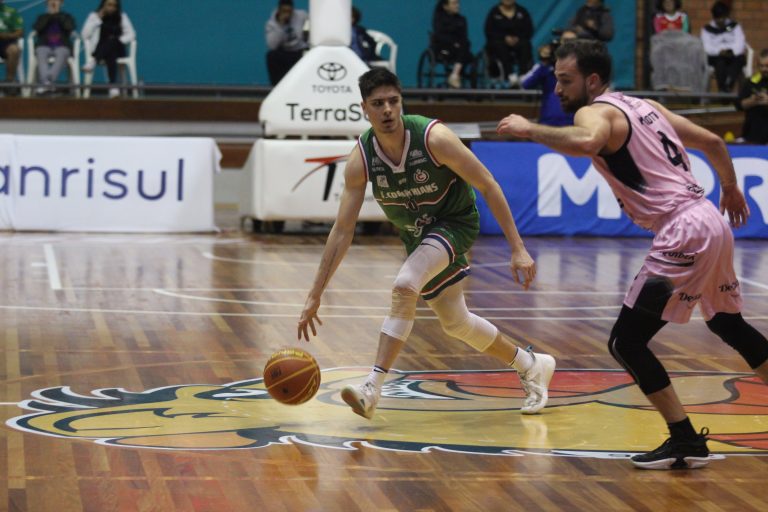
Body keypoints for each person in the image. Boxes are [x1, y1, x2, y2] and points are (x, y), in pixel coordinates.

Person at [497, 39, 768, 470]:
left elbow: (588, 141)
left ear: (592, 80)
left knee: (626, 341)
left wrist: (529, 129)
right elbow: (714, 141)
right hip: (709, 220)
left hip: (683, 230)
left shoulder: (596, 112)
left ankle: (684, 438)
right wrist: (731, 187)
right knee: (727, 324)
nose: (557, 89)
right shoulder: (646, 106)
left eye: (565, 80)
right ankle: (684, 438)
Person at [298, 67, 556, 420]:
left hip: (455, 223)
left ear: (401, 102)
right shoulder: (362, 159)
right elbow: (342, 231)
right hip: (418, 236)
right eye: (378, 104)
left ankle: (372, 388)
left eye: (393, 101)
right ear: (364, 109)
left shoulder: (434, 138)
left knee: (405, 285)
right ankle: (531, 364)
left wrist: (518, 247)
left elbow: (487, 183)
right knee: (456, 322)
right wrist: (315, 294)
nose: (387, 110)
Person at [81, 0, 136, 99]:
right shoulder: (94, 16)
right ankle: (113, 86)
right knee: (111, 52)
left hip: (118, 48)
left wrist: (119, 41)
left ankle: (94, 61)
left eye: (114, 5)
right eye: (109, 5)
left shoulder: (122, 17)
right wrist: (97, 19)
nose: (111, 8)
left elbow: (132, 34)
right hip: (99, 49)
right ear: (103, 5)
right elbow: (85, 35)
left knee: (112, 41)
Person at [520, 31, 577, 127]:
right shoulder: (546, 67)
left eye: (572, 40)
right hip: (549, 119)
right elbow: (525, 84)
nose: (569, 44)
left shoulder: (583, 66)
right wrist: (544, 64)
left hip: (573, 120)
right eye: (566, 40)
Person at [484, 0, 533, 87]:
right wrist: (504, 38)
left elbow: (529, 30)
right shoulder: (494, 13)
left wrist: (518, 38)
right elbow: (489, 31)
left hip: (518, 42)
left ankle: (523, 74)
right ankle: (510, 75)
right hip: (500, 42)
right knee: (499, 46)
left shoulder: (522, 12)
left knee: (525, 44)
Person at [32, 0, 77, 95]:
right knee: (40, 51)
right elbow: (38, 28)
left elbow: (69, 27)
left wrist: (57, 14)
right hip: (45, 45)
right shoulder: (42, 17)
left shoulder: (66, 16)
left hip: (62, 46)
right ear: (46, 3)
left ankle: (46, 82)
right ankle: (47, 83)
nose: (53, 2)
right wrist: (49, 16)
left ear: (61, 3)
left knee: (62, 52)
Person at [700, 1, 746, 93]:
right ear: (714, 17)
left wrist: (731, 51)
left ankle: (729, 83)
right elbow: (706, 47)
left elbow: (740, 43)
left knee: (740, 60)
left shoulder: (734, 26)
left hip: (733, 55)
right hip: (716, 57)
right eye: (718, 18)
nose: (721, 20)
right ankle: (723, 90)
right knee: (720, 62)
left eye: (723, 17)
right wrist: (719, 51)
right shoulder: (707, 29)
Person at [265, 0, 309, 86]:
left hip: (299, 51)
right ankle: (277, 87)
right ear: (279, 10)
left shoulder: (302, 16)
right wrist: (280, 25)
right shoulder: (271, 24)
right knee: (271, 56)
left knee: (309, 53)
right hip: (284, 53)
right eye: (284, 11)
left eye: (289, 11)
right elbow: (272, 46)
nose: (287, 14)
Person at [431, 0, 472, 89]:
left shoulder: (462, 19)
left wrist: (459, 44)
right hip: (443, 48)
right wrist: (453, 43)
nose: (457, 6)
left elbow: (464, 37)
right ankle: (454, 76)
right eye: (454, 3)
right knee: (462, 50)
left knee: (466, 46)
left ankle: (454, 75)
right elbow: (439, 35)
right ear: (445, 6)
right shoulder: (439, 19)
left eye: (458, 3)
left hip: (460, 49)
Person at [737, 48, 768, 145]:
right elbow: (739, 105)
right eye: (761, 66)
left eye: (767, 66)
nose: (764, 69)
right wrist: (752, 101)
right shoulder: (751, 81)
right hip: (752, 136)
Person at [0, 0, 23, 96]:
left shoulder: (11, 11)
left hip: (6, 41)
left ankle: (9, 82)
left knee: (14, 50)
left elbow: (19, 31)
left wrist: (7, 35)